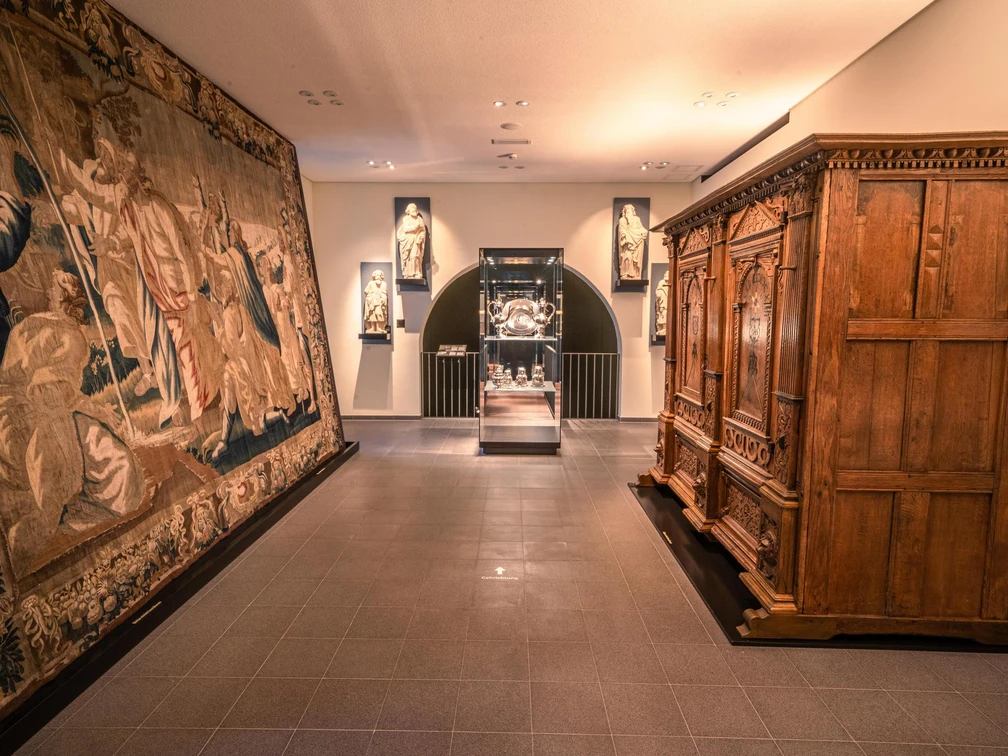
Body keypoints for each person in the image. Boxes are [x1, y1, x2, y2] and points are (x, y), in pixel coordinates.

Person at [59, 140, 222, 426]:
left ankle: (200, 401)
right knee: (176, 342)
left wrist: (193, 295)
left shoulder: (157, 206)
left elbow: (182, 252)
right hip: (157, 289)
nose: (120, 188)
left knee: (188, 342)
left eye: (123, 180)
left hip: (177, 286)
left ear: (132, 179)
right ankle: (192, 398)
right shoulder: (131, 210)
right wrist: (109, 242)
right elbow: (129, 238)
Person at [0, 271, 145, 577]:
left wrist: (88, 409)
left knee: (108, 467)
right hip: (35, 415)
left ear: (65, 298)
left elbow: (53, 388)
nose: (47, 291)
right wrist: (96, 410)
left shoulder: (61, 333)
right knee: (52, 488)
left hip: (29, 413)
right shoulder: (57, 331)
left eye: (52, 288)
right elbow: (49, 389)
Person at [396, 202, 426, 279]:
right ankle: (407, 273)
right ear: (408, 211)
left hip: (416, 239)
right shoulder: (406, 219)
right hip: (407, 240)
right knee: (406, 257)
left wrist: (421, 237)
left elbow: (423, 230)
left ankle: (416, 273)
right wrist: (415, 227)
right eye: (412, 208)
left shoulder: (420, 219)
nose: (414, 210)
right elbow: (406, 229)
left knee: (415, 255)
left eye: (415, 208)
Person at [618, 203, 647, 280]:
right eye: (626, 210)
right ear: (624, 212)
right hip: (628, 241)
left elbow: (641, 228)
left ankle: (635, 274)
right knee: (627, 257)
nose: (628, 212)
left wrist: (644, 232)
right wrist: (624, 235)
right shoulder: (622, 220)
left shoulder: (637, 219)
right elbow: (622, 229)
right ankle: (626, 273)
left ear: (632, 211)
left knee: (635, 258)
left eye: (629, 210)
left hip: (637, 241)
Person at [363, 269, 388, 334]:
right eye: (376, 275)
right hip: (371, 300)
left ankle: (379, 327)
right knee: (372, 314)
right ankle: (372, 328)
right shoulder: (371, 283)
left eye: (379, 275)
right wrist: (371, 295)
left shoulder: (383, 284)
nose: (378, 276)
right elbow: (366, 291)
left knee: (378, 313)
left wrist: (383, 298)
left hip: (379, 301)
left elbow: (384, 293)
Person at [655, 270, 670, 336]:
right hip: (663, 301)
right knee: (663, 313)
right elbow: (658, 291)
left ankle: (666, 328)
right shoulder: (661, 282)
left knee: (667, 314)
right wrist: (659, 295)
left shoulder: (672, 283)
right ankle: (663, 328)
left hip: (668, 300)